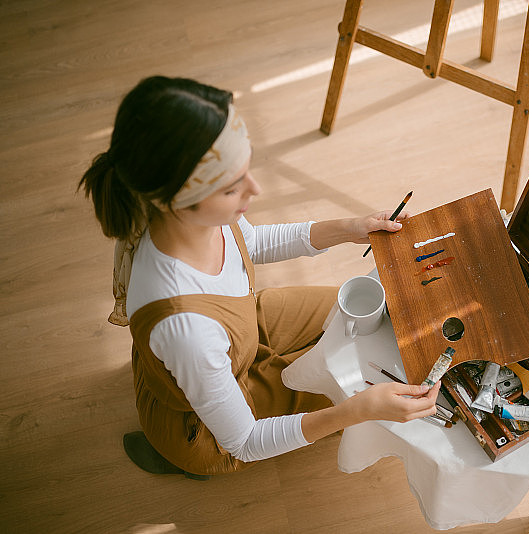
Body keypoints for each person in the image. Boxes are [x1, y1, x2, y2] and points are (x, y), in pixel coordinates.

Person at [79, 76, 439, 479]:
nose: (256, 189)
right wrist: (356, 412)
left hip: (235, 331)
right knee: (353, 384)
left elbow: (249, 242)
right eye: (233, 189)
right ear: (173, 200)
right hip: (207, 424)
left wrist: (351, 227)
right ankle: (183, 458)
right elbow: (246, 441)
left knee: (360, 315)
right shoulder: (186, 329)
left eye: (246, 168)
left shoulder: (184, 214)